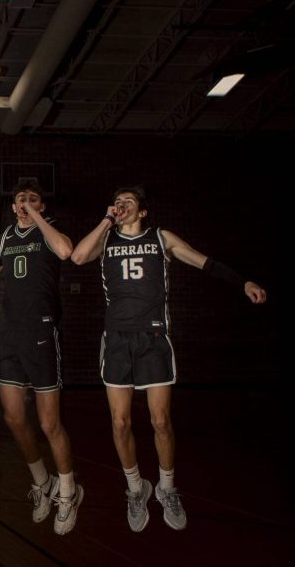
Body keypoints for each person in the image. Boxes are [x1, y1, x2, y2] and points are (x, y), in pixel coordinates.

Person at [70, 186, 266, 532]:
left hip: (154, 338)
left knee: (161, 421)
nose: (121, 205)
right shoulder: (106, 239)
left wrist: (242, 282)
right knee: (120, 423)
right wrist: (105, 220)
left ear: (143, 211)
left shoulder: (161, 238)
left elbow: (203, 261)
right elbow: (77, 256)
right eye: (117, 201)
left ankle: (167, 487)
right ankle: (136, 488)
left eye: (128, 201)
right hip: (117, 340)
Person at [0, 179, 83, 535]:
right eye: (21, 199)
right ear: (12, 206)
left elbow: (66, 251)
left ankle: (69, 491)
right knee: (14, 417)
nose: (26, 202)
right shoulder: (4, 238)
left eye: (34, 199)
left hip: (41, 332)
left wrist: (36, 217)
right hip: (10, 334)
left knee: (49, 424)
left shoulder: (50, 233)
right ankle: (43, 481)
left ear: (42, 206)